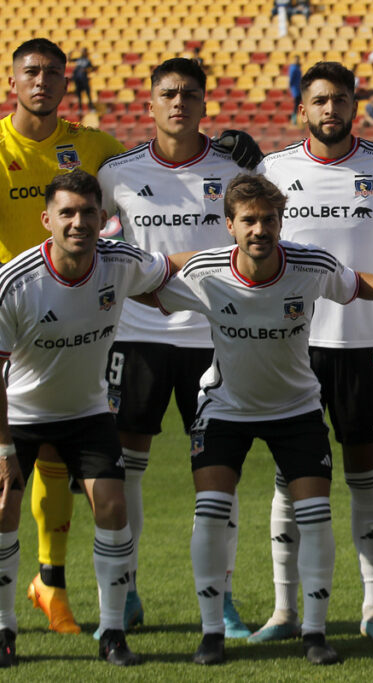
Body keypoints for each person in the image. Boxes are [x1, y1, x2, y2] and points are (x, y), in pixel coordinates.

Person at [146, 173, 373, 665]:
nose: (260, 229)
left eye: (269, 219)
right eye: (249, 221)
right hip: (226, 408)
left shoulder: (310, 265)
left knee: (315, 517)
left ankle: (315, 634)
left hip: (296, 409)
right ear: (229, 226)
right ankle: (212, 633)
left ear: (282, 221)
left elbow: (356, 286)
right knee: (211, 513)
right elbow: (146, 291)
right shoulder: (205, 271)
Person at [0, 38, 125, 644]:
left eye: (52, 72)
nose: (41, 81)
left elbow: (147, 178)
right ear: (13, 81)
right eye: (31, 72)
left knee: (56, 449)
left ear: (65, 81)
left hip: (67, 317)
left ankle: (51, 583)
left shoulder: (92, 144)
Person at [0, 170, 171, 668]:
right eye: (67, 213)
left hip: (86, 410)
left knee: (112, 506)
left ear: (104, 219)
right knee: (1, 509)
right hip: (17, 415)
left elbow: (169, 271)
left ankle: (111, 633)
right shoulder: (13, 282)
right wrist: (2, 452)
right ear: (48, 220)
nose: (78, 222)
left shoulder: (121, 262)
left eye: (87, 213)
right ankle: (2, 632)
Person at [96, 57, 256, 639]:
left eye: (190, 93)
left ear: (205, 104)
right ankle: (128, 591)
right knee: (125, 469)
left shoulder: (232, 170)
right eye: (168, 93)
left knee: (217, 473)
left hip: (212, 339)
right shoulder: (118, 172)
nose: (179, 103)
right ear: (151, 104)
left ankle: (223, 599)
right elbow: (87, 239)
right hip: (134, 336)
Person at [255, 61, 373, 645]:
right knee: (287, 478)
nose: (330, 110)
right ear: (303, 109)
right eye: (319, 100)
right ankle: (284, 610)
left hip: (363, 344)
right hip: (291, 347)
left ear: (354, 107)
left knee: (365, 478)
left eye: (340, 100)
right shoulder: (275, 169)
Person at [71, 48, 95, 113]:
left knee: (88, 95)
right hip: (78, 80)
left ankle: (91, 108)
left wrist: (86, 70)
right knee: (79, 96)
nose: (83, 53)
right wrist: (70, 53)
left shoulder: (87, 61)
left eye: (84, 52)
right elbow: (69, 60)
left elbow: (92, 68)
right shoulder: (78, 59)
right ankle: (80, 108)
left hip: (84, 80)